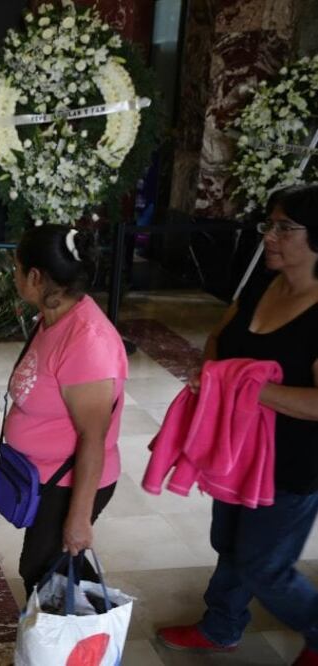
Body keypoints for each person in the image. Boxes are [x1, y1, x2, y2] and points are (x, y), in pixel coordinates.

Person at [156, 184, 318, 666]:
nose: (269, 236)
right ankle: (221, 625)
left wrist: (244, 390)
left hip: (291, 466)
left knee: (265, 567)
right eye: (269, 225)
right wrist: (213, 374)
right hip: (235, 451)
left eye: (284, 228)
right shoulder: (261, 284)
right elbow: (217, 339)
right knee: (228, 543)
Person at [4, 224, 128, 596]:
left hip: (68, 482)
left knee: (42, 568)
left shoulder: (87, 341)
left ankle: (74, 643)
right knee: (50, 564)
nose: (14, 275)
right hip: (43, 477)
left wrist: (78, 517)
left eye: (17, 268)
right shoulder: (54, 316)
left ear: (36, 277)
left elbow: (94, 436)